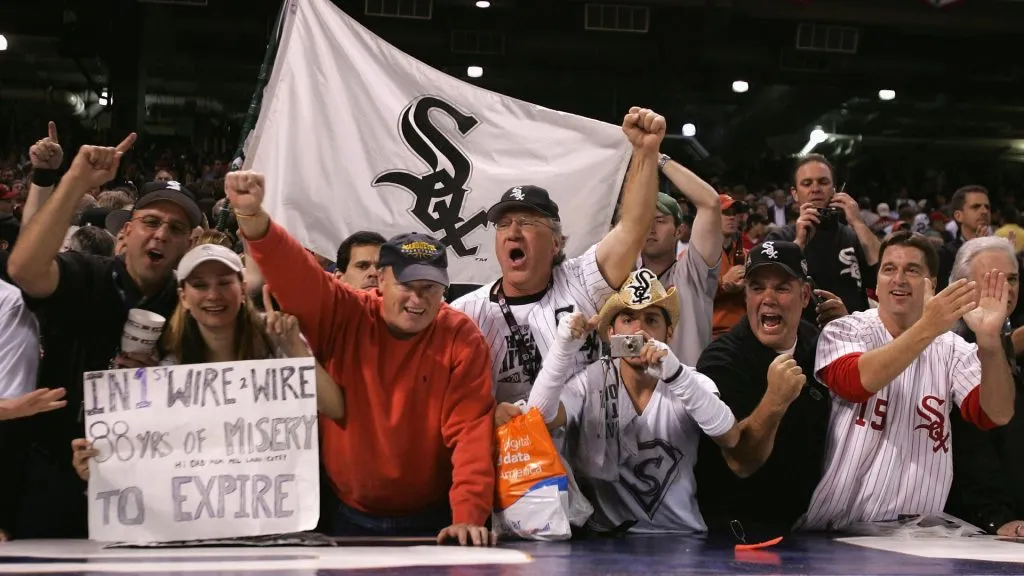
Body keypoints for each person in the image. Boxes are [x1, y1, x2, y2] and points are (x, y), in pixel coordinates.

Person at [225, 171, 497, 546]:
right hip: (345, 516)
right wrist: (254, 220)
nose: (417, 301)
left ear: (444, 289)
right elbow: (296, 274)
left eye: (429, 288)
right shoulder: (344, 312)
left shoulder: (461, 336)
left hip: (433, 519)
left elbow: (470, 432)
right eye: (406, 286)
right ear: (381, 279)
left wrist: (468, 515)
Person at [6, 134, 205, 538]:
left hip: (148, 483)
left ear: (188, 243)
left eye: (175, 228)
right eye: (151, 222)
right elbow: (25, 269)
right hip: (56, 473)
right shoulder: (87, 275)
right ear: (127, 231)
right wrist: (76, 180)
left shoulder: (191, 304)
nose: (162, 234)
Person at [453, 107, 666, 421]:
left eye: (527, 222)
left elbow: (633, 227)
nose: (512, 232)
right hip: (514, 462)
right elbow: (444, 399)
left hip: (593, 459)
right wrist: (485, 416)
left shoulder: (582, 279)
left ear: (556, 243)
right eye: (504, 224)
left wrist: (645, 153)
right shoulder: (466, 313)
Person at [799, 231, 1016, 531]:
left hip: (918, 536)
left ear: (934, 285)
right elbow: (854, 382)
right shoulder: (846, 330)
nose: (899, 278)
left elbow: (997, 412)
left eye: (912, 270)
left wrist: (989, 341)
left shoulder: (953, 349)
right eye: (889, 269)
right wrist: (928, 326)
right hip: (838, 531)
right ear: (877, 282)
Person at [525, 269, 740, 533]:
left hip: (682, 538)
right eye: (628, 319)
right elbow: (537, 418)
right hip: (602, 545)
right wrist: (562, 350)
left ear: (668, 332)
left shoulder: (688, 381)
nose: (639, 331)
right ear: (612, 332)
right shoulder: (590, 382)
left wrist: (676, 375)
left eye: (651, 320)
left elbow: (729, 436)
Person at [695, 240, 846, 539]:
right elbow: (740, 462)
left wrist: (849, 334)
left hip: (810, 528)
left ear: (804, 296)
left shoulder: (817, 343)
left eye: (781, 288)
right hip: (738, 533)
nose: (768, 299)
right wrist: (775, 401)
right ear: (746, 296)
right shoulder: (721, 359)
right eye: (757, 287)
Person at [943, 237, 1024, 536]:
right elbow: (969, 446)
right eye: (993, 279)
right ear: (961, 286)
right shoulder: (950, 346)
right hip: (970, 527)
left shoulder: (1004, 331)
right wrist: (996, 518)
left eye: (1012, 279)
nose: (1007, 288)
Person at [765, 154, 879, 323]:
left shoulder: (854, 236)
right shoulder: (779, 238)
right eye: (807, 183)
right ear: (795, 194)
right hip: (801, 339)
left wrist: (858, 222)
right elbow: (768, 290)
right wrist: (799, 243)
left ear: (835, 191)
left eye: (823, 182)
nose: (815, 188)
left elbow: (882, 273)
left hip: (853, 339)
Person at [639, 154, 723, 365]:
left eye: (659, 220)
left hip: (687, 393)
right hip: (634, 394)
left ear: (679, 231)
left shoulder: (693, 273)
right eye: (644, 221)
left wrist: (657, 158)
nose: (650, 229)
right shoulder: (624, 277)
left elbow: (710, 203)